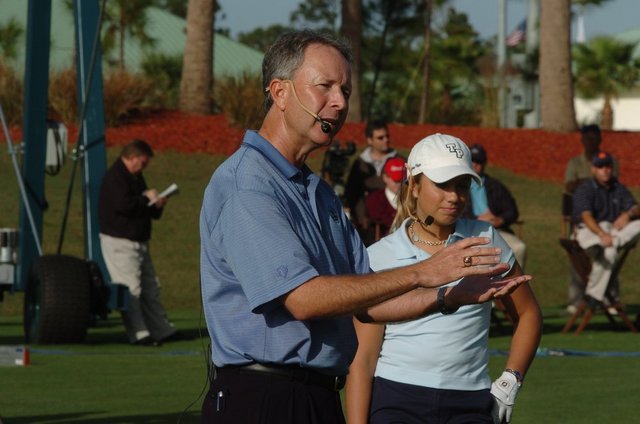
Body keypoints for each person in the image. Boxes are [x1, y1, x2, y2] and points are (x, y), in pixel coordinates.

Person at [198, 30, 531, 424]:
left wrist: (447, 297)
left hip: (314, 395)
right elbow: (303, 298)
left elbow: (368, 299)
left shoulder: (316, 191)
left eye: (346, 91)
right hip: (262, 397)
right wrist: (426, 272)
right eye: (325, 86)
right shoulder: (248, 183)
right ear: (279, 92)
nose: (339, 102)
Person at [346, 134, 542, 424]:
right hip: (397, 399)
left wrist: (510, 380)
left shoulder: (485, 239)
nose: (454, 196)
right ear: (413, 185)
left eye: (461, 185)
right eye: (442, 184)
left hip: (470, 402)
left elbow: (528, 314)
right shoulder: (379, 256)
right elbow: (362, 361)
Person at [99, 139, 179, 346]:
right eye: (142, 163)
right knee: (132, 289)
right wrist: (147, 198)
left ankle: (162, 330)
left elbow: (142, 208)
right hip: (120, 242)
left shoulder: (134, 177)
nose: (143, 167)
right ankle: (139, 333)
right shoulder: (115, 177)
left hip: (138, 241)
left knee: (151, 287)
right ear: (132, 158)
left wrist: (156, 203)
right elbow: (124, 205)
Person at [572, 151, 640, 307]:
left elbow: (636, 207)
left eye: (608, 166)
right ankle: (595, 294)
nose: (605, 169)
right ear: (593, 169)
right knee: (608, 251)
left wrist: (628, 214)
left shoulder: (618, 188)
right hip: (592, 230)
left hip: (613, 233)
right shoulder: (585, 189)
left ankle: (593, 295)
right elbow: (586, 217)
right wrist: (602, 234)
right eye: (601, 166)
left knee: (616, 242)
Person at [564, 124, 619, 312]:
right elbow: (569, 186)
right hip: (582, 219)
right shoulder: (575, 163)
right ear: (582, 140)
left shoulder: (609, 161)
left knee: (611, 250)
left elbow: (612, 185)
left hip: (605, 217)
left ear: (599, 140)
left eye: (594, 139)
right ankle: (576, 299)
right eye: (587, 138)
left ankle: (610, 298)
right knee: (578, 255)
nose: (590, 142)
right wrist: (590, 184)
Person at [470, 143, 527, 270]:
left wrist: (499, 220)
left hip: (497, 230)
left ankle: (514, 286)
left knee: (519, 247)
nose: (474, 164)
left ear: (484, 164)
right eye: (471, 161)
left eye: (478, 161)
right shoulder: (459, 186)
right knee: (484, 254)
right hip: (469, 231)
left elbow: (512, 211)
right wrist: (476, 220)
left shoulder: (495, 186)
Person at [344, 119, 397, 245]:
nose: (386, 140)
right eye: (380, 137)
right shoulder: (359, 165)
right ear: (369, 140)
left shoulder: (398, 161)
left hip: (394, 226)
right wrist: (361, 218)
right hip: (366, 229)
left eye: (387, 136)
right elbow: (352, 193)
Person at [365, 156, 406, 241]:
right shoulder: (375, 199)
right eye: (396, 180)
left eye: (402, 180)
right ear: (385, 177)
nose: (399, 184)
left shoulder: (412, 198)